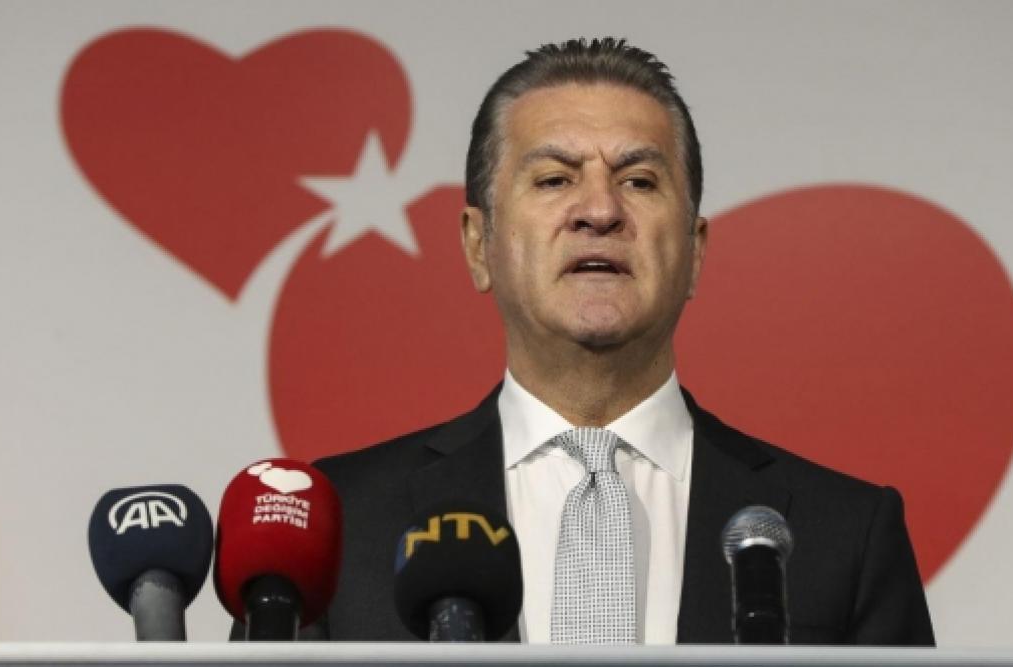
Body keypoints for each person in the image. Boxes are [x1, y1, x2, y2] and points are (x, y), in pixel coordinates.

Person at [310, 37, 934, 645]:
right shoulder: (340, 522)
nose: (600, 211)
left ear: (694, 251)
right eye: (554, 179)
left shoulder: (847, 533)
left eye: (638, 181)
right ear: (479, 246)